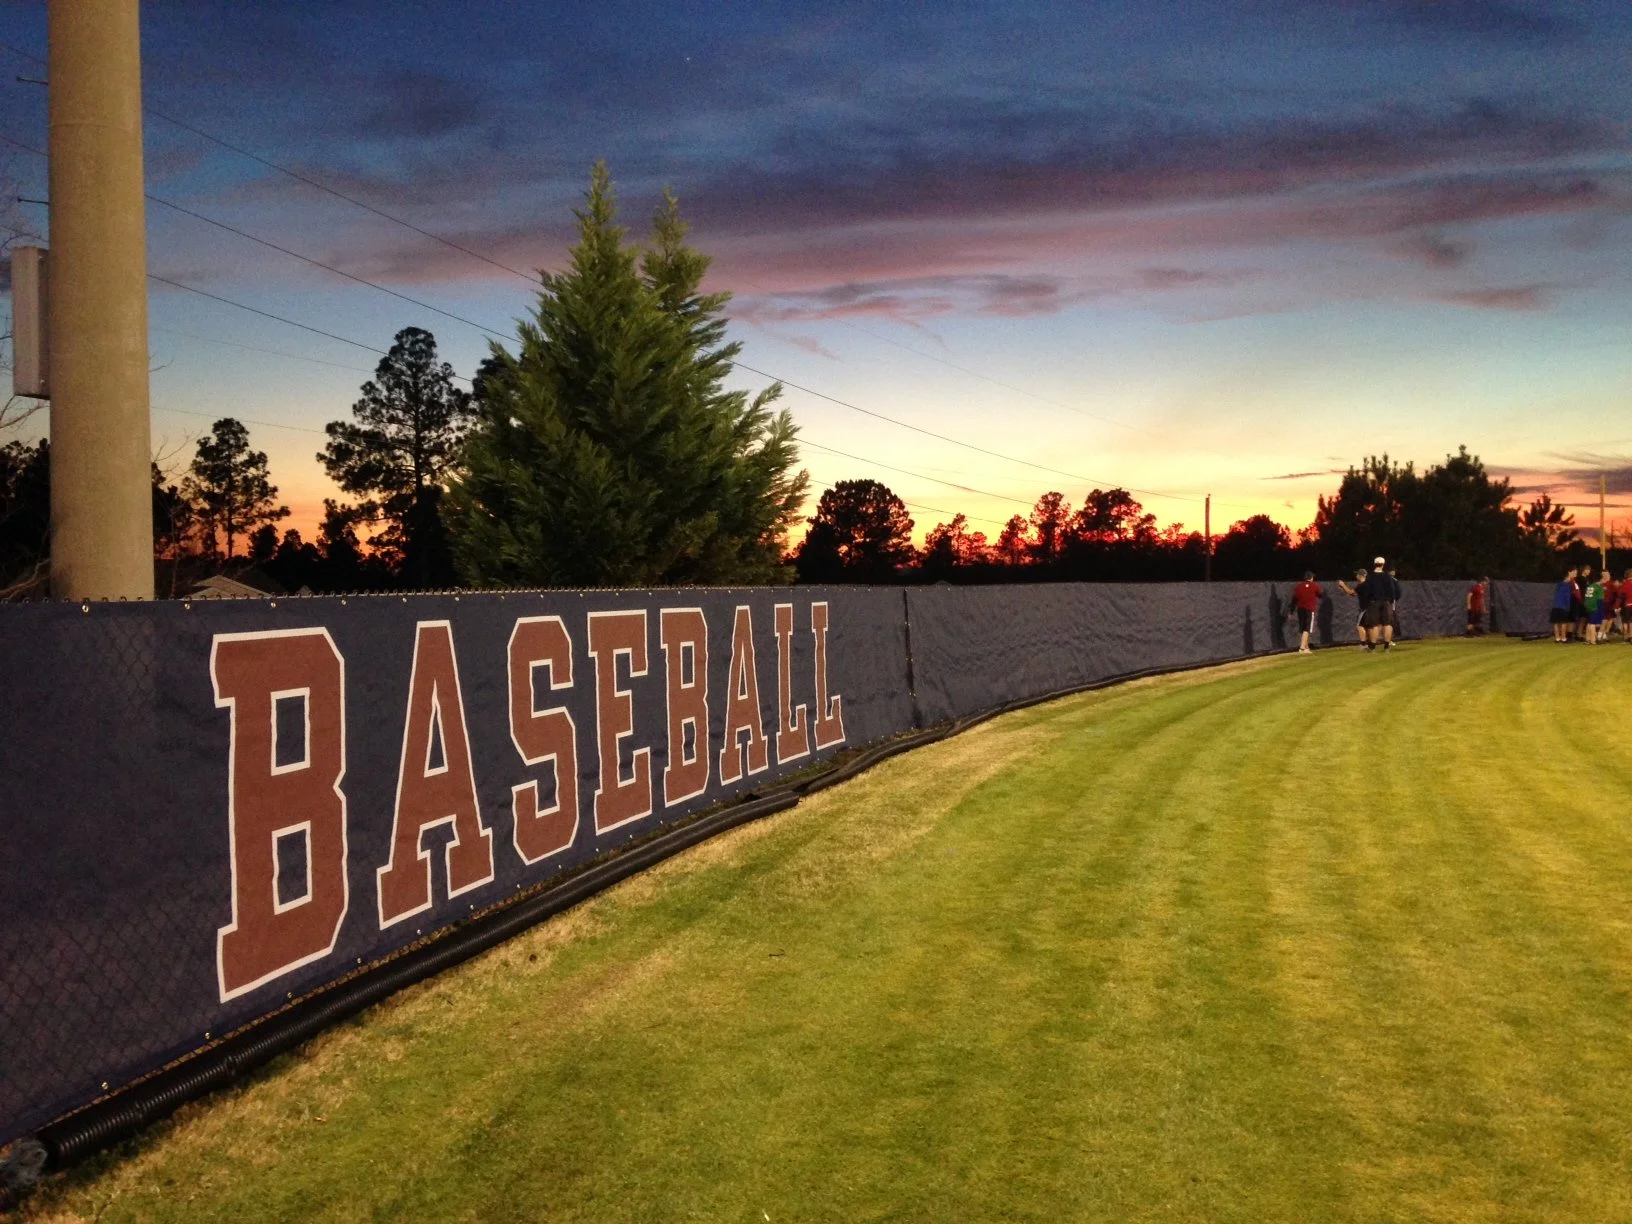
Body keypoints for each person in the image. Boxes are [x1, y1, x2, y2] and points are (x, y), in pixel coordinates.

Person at [1359, 556, 1398, 651]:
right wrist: (1391, 600)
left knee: (1374, 624)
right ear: (1383, 565)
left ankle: (1372, 646)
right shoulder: (1387, 577)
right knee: (1388, 623)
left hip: (1374, 602)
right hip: (1386, 601)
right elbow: (1392, 590)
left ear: (1374, 564)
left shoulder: (1370, 577)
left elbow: (1367, 591)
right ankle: (1387, 645)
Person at [1335, 567, 1370, 648]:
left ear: (1360, 576)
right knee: (1367, 626)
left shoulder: (1361, 585)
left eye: (1357, 574)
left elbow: (1351, 593)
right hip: (1371, 607)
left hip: (1365, 608)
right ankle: (1369, 643)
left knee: (1359, 626)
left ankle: (1363, 644)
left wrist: (1343, 585)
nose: (1356, 576)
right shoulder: (1368, 584)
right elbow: (1354, 594)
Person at [1290, 571, 1323, 654]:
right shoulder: (1314, 586)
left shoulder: (1298, 586)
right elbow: (1320, 595)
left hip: (1300, 609)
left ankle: (1306, 648)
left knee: (1303, 629)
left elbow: (1294, 599)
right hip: (1309, 609)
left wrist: (1291, 611)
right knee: (1307, 629)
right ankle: (1301, 648)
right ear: (1311, 578)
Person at [1551, 567, 1577, 643]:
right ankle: (1563, 638)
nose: (1575, 574)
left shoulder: (1559, 584)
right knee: (1563, 622)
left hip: (1555, 605)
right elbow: (1567, 597)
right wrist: (1568, 606)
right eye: (1574, 572)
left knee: (1556, 622)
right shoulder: (1568, 585)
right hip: (1563, 606)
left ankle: (1557, 638)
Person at [1584, 570, 1608, 644]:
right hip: (1595, 606)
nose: (1604, 580)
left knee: (1589, 622)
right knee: (1593, 623)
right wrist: (1600, 610)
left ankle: (1587, 639)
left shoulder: (1590, 586)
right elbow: (1600, 600)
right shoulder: (1599, 588)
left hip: (1588, 605)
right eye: (1603, 579)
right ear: (1600, 579)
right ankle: (1593, 640)